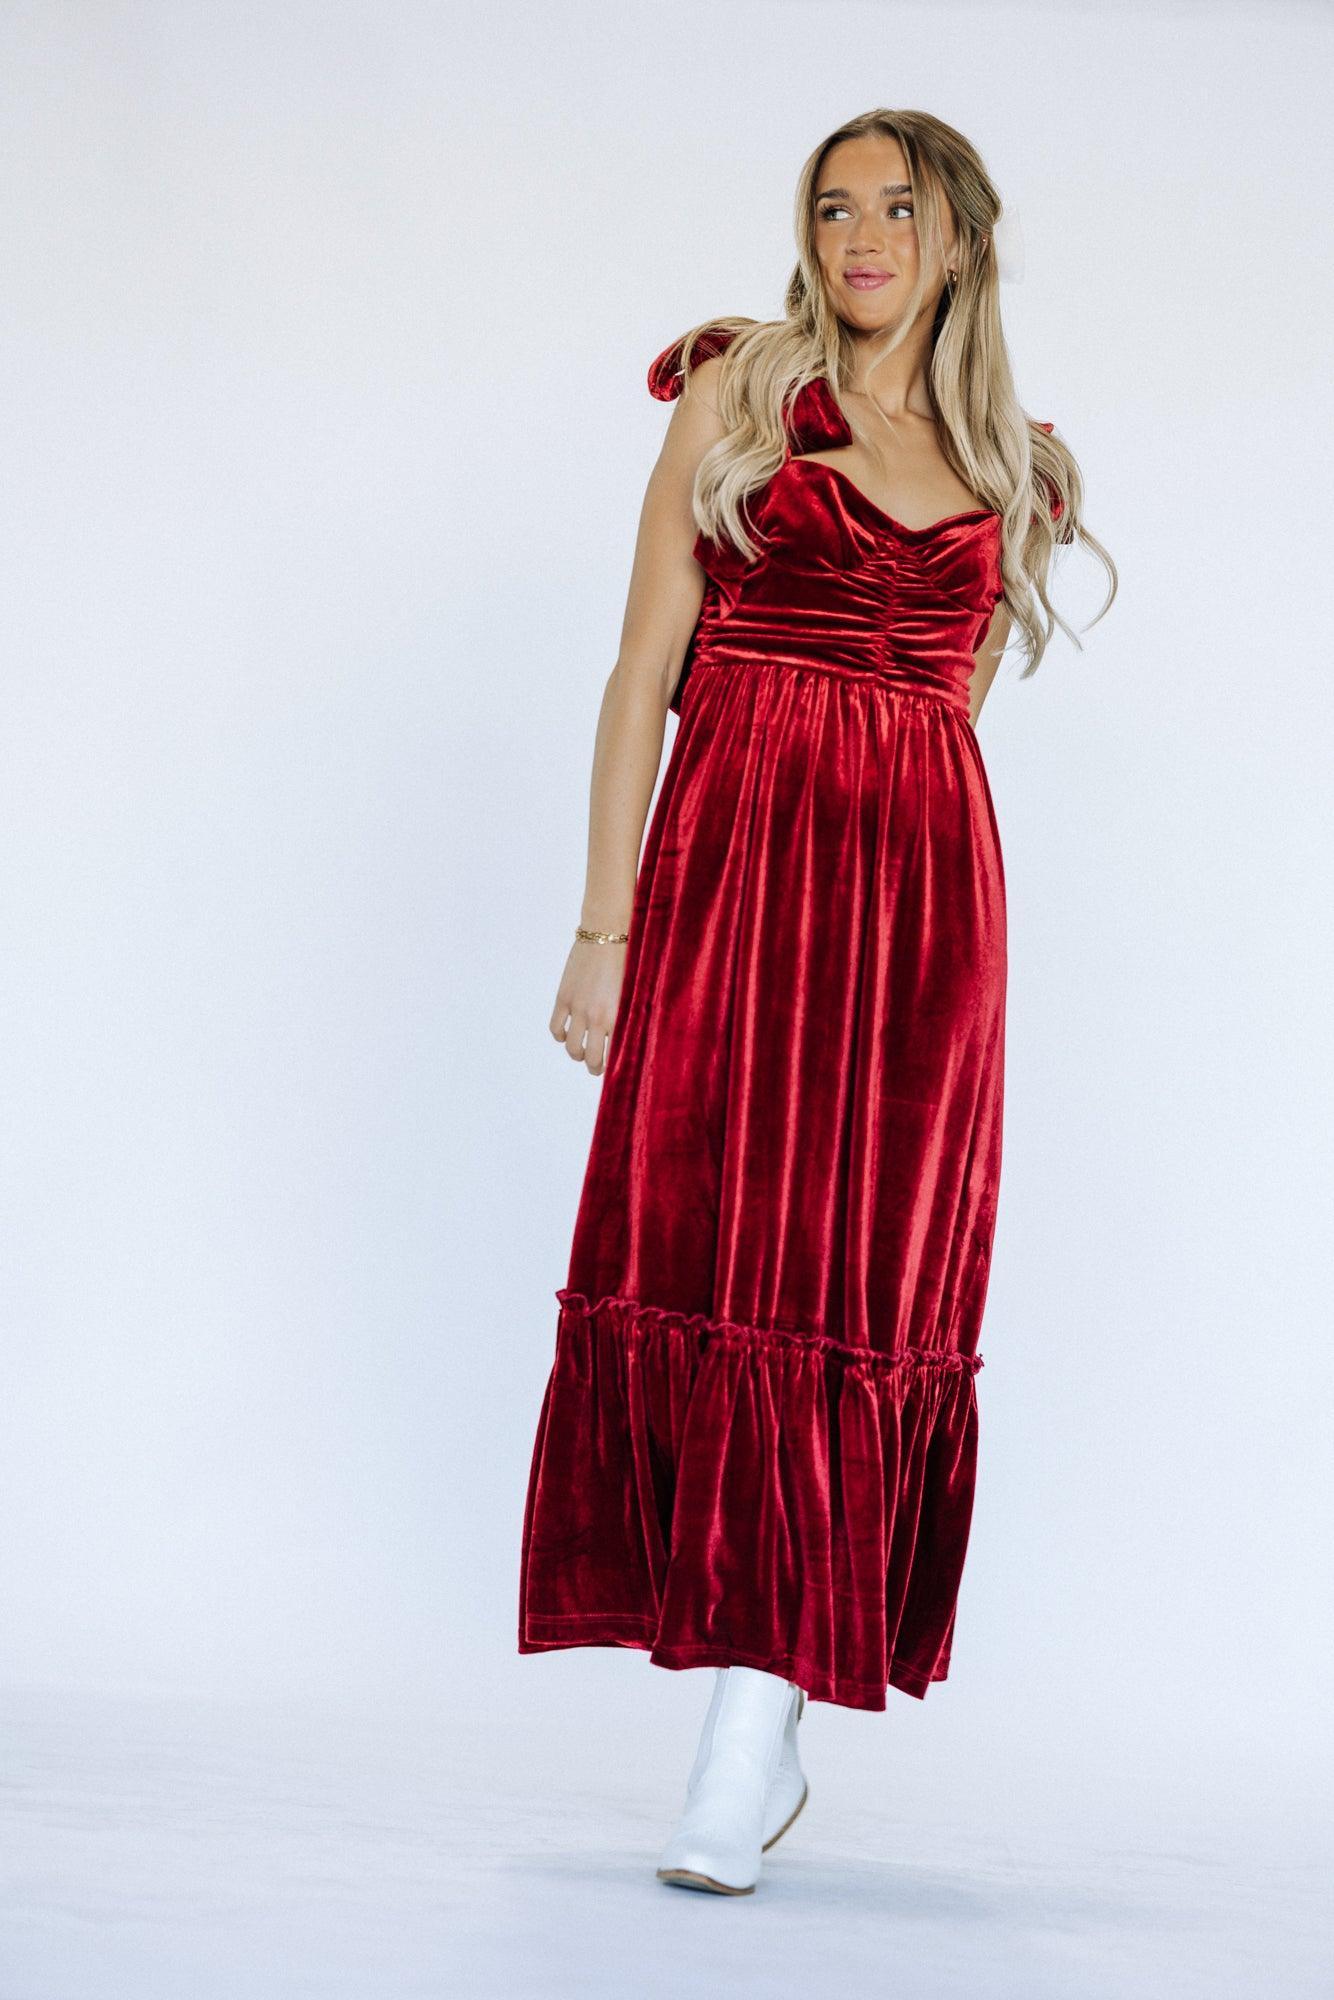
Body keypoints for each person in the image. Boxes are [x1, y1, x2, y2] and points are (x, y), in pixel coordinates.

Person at [517, 107, 1116, 1896]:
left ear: (959, 240)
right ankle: (737, 1699)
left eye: (898, 207)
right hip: (727, 879)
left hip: (918, 919)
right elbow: (641, 667)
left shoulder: (1019, 472)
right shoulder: (736, 392)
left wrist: (898, 900)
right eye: (834, 205)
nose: (861, 235)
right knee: (715, 1251)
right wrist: (606, 926)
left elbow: (942, 724)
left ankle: (751, 1725)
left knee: (852, 1284)